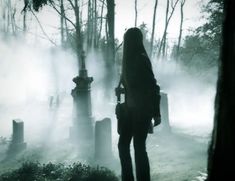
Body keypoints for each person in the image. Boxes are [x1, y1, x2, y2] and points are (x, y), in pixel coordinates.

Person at [116, 27, 160, 181]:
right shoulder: (127, 62)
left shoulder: (141, 59)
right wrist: (121, 89)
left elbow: (153, 86)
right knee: (123, 146)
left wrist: (157, 112)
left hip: (142, 111)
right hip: (129, 110)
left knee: (139, 148)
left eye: (127, 40)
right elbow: (129, 86)